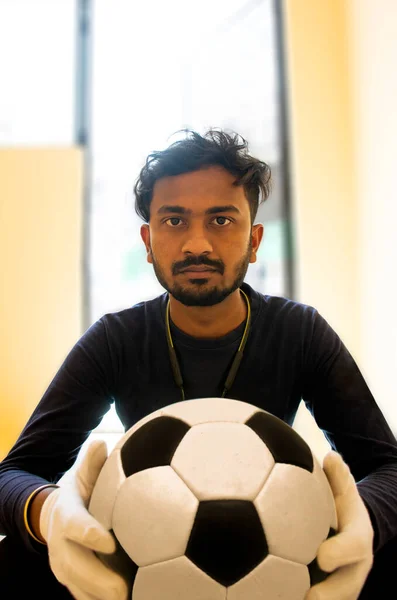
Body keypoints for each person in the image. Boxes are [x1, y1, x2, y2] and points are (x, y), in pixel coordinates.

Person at [0, 128, 396, 600]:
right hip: (142, 556)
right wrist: (50, 512)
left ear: (254, 240)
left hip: (280, 553)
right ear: (148, 241)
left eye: (222, 221)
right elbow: (13, 474)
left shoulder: (300, 332)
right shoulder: (115, 339)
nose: (197, 245)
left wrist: (356, 519)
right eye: (173, 221)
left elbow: (388, 467)